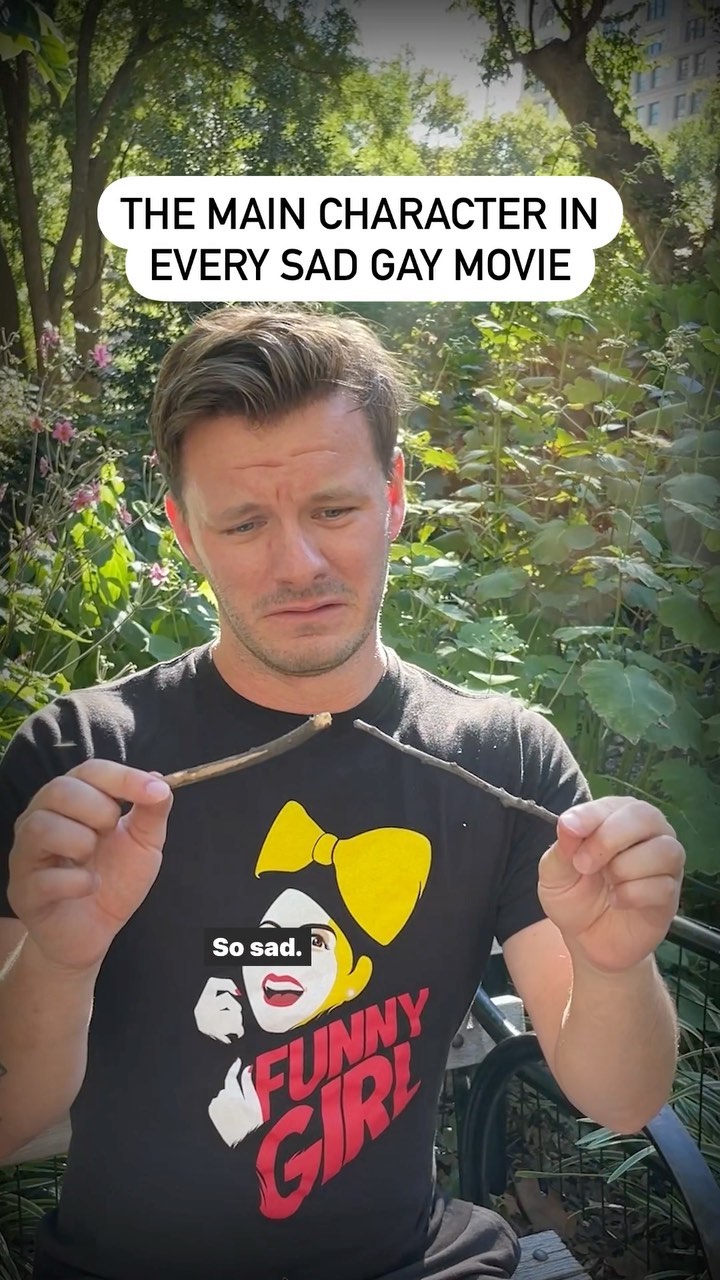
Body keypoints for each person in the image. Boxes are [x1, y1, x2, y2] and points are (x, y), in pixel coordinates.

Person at [0, 307, 684, 1280]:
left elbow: (623, 1101)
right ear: (185, 532)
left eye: (333, 510)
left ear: (394, 495)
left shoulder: (503, 757)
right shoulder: (79, 760)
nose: (300, 565)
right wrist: (59, 961)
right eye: (245, 522)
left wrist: (616, 965)